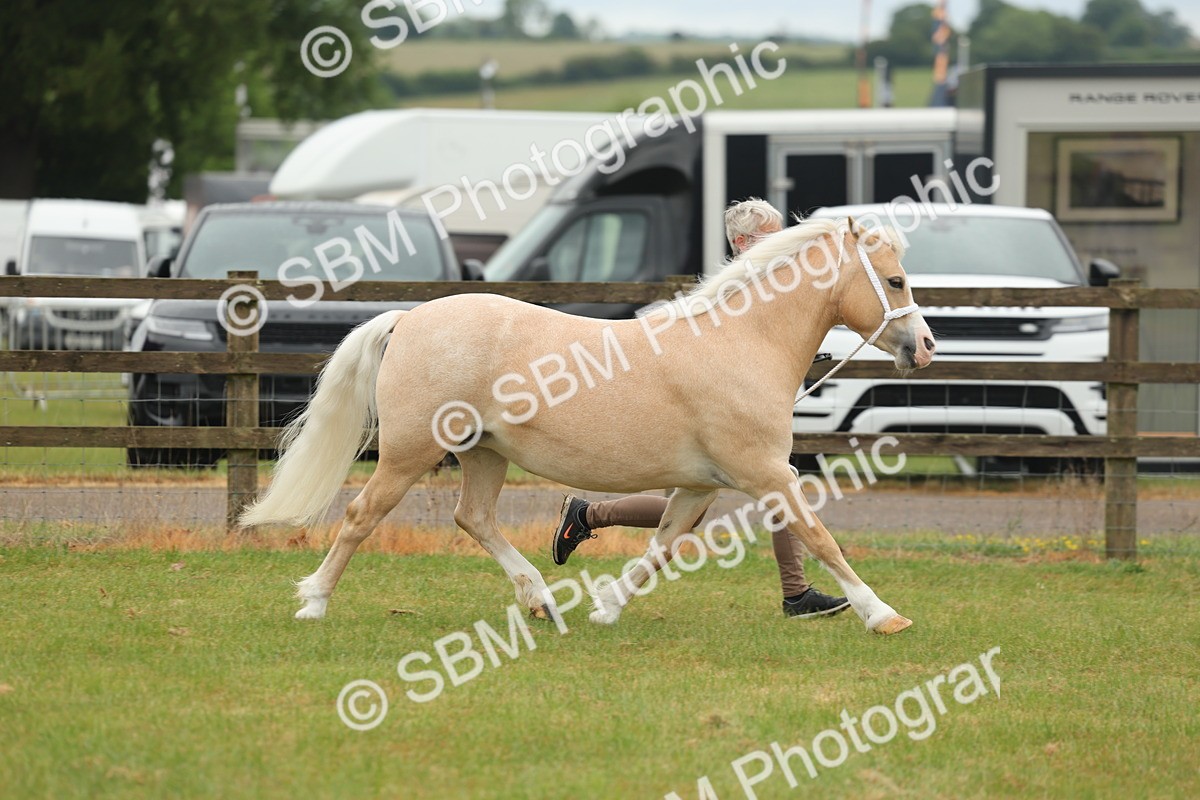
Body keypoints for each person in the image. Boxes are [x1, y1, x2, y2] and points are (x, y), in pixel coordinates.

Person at [550, 198, 850, 619]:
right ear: (744, 242)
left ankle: (588, 515)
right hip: (701, 414)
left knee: (738, 500)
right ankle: (797, 595)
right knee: (768, 492)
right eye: (772, 234)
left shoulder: (768, 287)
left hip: (725, 416)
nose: (784, 243)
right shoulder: (735, 289)